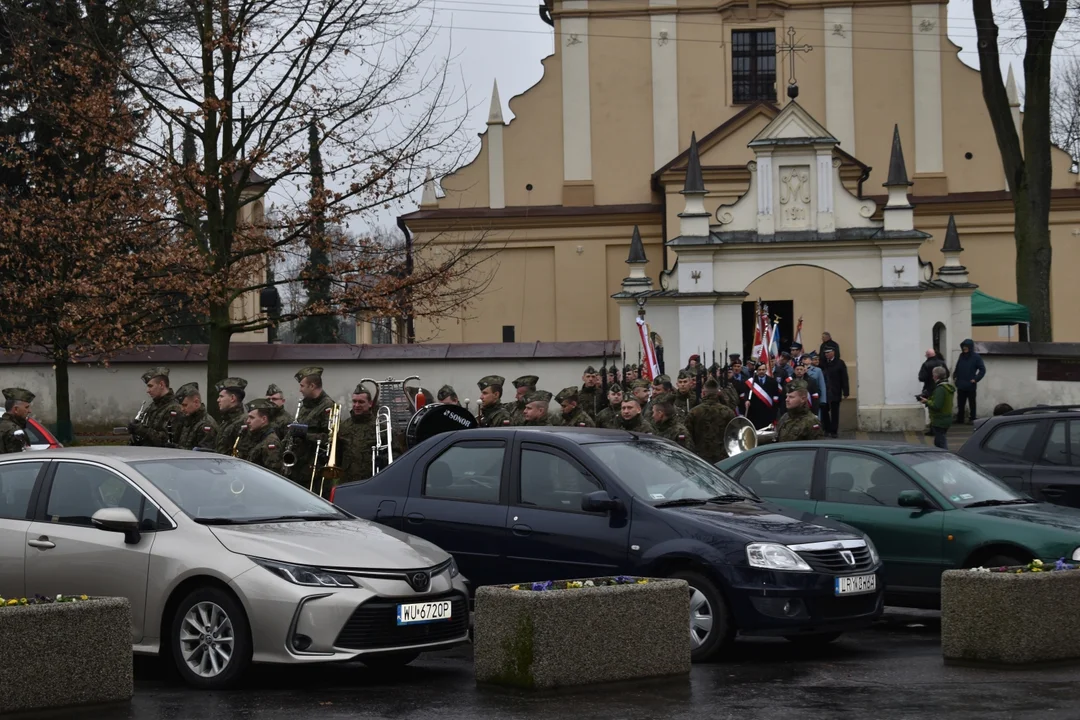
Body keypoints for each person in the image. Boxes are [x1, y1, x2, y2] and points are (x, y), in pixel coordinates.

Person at [286, 367, 336, 485]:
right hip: (297, 466)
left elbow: (330, 438)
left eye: (302, 386)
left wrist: (304, 434)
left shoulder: (327, 406)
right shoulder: (305, 405)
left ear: (312, 386)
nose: (300, 390)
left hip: (314, 471)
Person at [687, 378, 736, 463]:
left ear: (703, 393)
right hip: (724, 459)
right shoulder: (728, 412)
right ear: (718, 393)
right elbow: (734, 436)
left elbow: (688, 437)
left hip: (700, 459)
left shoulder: (694, 412)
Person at [131, 367, 181, 447]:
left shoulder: (174, 408)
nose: (148, 390)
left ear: (161, 384)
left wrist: (142, 430)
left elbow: (168, 440)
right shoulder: (153, 406)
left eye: (150, 386)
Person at [337, 384, 378, 483]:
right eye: (354, 401)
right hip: (346, 482)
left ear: (370, 404)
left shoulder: (380, 426)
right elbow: (337, 455)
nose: (356, 405)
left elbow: (395, 454)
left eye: (361, 402)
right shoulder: (344, 426)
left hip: (370, 481)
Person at [243, 399, 284, 475]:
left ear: (264, 419)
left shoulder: (271, 442)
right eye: (248, 418)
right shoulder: (256, 436)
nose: (248, 421)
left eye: (252, 418)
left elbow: (273, 475)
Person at [175, 382, 218, 451]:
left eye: (185, 405)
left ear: (196, 402)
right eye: (181, 406)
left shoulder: (206, 424)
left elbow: (203, 454)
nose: (182, 409)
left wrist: (177, 448)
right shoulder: (188, 420)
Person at [920, 366, 955, 449]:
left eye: (933, 375)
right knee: (938, 441)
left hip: (940, 419)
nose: (932, 377)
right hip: (946, 418)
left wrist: (926, 401)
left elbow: (936, 405)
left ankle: (945, 458)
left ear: (936, 376)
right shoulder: (947, 387)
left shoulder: (940, 389)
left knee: (941, 443)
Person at [953, 339, 986, 423]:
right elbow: (957, 367)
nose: (964, 349)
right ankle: (960, 419)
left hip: (971, 384)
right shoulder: (961, 356)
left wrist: (976, 379)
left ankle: (972, 418)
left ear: (970, 347)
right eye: (963, 347)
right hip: (961, 383)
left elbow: (982, 370)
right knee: (960, 403)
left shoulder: (976, 357)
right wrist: (955, 376)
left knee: (972, 403)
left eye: (966, 347)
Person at [820, 347, 849, 438]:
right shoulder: (823, 363)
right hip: (825, 391)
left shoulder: (840, 363)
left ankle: (834, 430)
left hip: (835, 390)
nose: (826, 354)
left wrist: (846, 391)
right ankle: (827, 429)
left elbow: (844, 378)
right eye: (825, 353)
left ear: (833, 352)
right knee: (824, 411)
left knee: (835, 412)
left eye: (828, 352)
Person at [215, 377, 249, 455]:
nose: (218, 400)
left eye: (221, 396)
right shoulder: (227, 421)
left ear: (232, 398)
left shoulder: (242, 422)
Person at [741, 363, 780, 430]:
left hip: (767, 411)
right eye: (759, 370)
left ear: (766, 370)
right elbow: (747, 393)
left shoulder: (773, 381)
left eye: (763, 369)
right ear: (756, 371)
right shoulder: (751, 381)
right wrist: (746, 400)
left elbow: (775, 397)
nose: (761, 371)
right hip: (754, 412)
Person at [0, 388, 34, 453]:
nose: (29, 411)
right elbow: (17, 460)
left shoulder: (2, 425)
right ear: (16, 409)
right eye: (26, 407)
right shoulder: (14, 431)